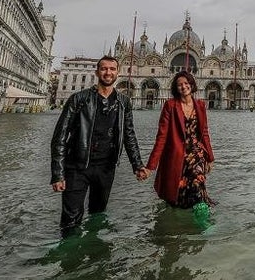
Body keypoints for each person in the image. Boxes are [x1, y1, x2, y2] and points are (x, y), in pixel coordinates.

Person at [50, 55, 148, 235]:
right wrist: (57, 173)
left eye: (112, 69)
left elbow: (129, 134)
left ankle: (94, 255)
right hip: (77, 167)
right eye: (104, 69)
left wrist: (138, 165)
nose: (108, 72)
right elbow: (60, 137)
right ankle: (69, 257)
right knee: (71, 219)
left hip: (106, 168)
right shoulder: (79, 99)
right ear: (97, 72)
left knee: (97, 214)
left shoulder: (123, 102)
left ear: (118, 72)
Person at [146, 71, 215, 211]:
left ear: (191, 84)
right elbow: (162, 136)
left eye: (186, 83)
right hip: (177, 154)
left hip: (196, 154)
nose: (183, 87)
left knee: (197, 184)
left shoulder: (200, 105)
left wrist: (210, 157)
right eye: (179, 85)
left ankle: (204, 223)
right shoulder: (170, 105)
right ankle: (180, 225)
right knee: (179, 191)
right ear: (175, 88)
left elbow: (204, 133)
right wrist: (151, 166)